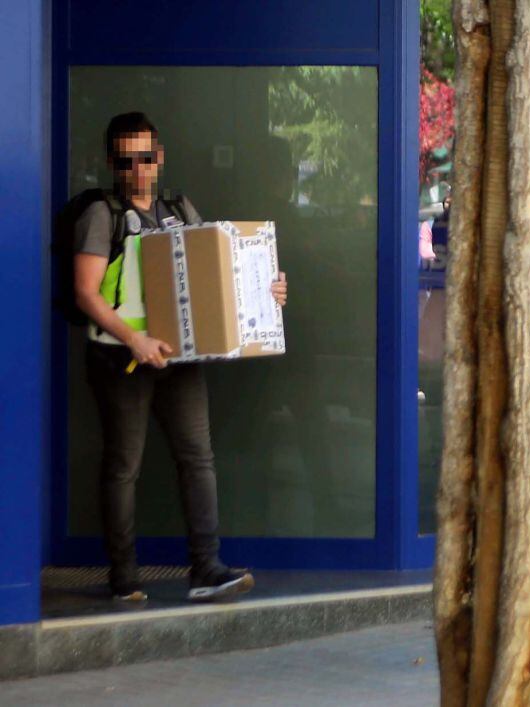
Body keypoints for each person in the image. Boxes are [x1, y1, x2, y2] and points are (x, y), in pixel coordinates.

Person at [72, 112, 288, 602]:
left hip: (179, 358)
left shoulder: (179, 208)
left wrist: (266, 291)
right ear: (112, 162)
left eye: (146, 157)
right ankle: (123, 578)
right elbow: (86, 294)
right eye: (127, 160)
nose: (138, 169)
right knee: (125, 466)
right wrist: (135, 340)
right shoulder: (101, 215)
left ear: (160, 156)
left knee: (198, 459)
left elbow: (214, 272)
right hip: (120, 360)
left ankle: (206, 570)